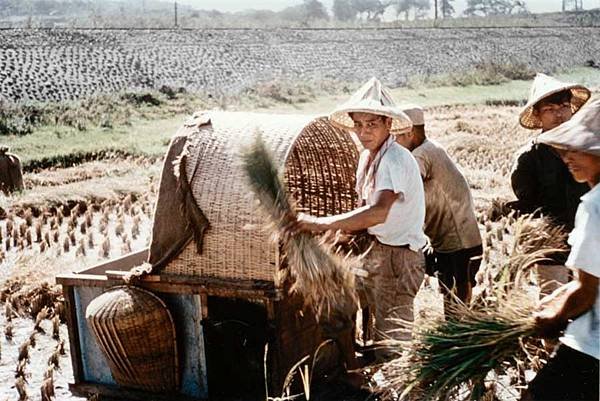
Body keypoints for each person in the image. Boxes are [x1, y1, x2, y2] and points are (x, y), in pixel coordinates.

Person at [292, 77, 427, 361]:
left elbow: (378, 211)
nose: (363, 132)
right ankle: (353, 369)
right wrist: (339, 237)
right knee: (340, 307)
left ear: (388, 125)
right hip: (377, 251)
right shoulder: (368, 158)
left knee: (393, 341)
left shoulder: (395, 159)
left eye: (372, 124)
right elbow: (364, 207)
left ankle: (400, 388)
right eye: (359, 125)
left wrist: (322, 223)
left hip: (400, 259)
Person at [522, 98, 600, 401]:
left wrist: (550, 319)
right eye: (566, 149)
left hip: (591, 344)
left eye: (579, 149)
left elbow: (585, 290)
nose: (568, 157)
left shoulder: (593, 206)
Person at [395, 105, 482, 311]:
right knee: (453, 298)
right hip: (458, 240)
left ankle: (459, 339)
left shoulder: (421, 155)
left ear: (409, 133)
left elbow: (404, 189)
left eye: (395, 136)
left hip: (458, 244)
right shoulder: (431, 147)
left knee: (456, 304)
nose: (393, 143)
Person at [511, 73, 591, 293]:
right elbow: (528, 209)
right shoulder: (528, 158)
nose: (559, 114)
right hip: (552, 252)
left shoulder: (588, 150)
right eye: (550, 109)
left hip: (590, 244)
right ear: (538, 114)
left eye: (564, 106)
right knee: (554, 304)